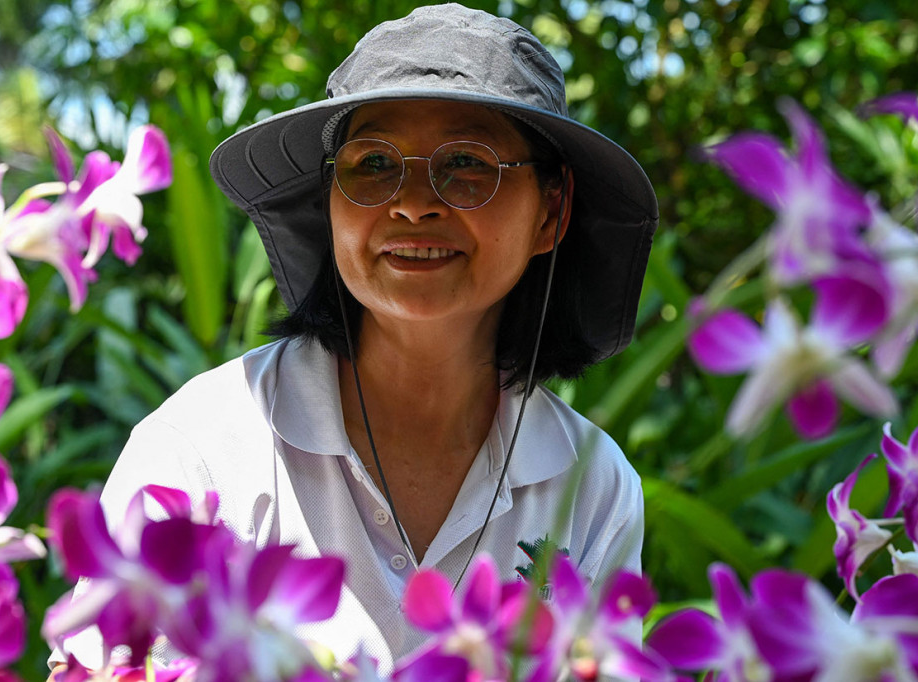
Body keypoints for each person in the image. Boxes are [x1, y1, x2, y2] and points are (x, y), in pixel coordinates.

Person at [52, 2, 658, 674]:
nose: (412, 203)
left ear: (552, 211)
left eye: (466, 162)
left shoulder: (591, 485)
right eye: (373, 164)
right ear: (330, 200)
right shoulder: (206, 445)